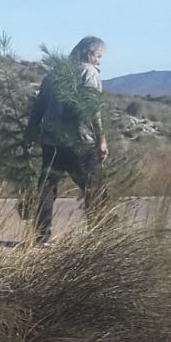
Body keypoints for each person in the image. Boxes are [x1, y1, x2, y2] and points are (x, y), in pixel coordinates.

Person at [25, 36, 109, 243]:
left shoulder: (53, 74)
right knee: (94, 187)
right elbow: (92, 109)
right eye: (98, 56)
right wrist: (101, 139)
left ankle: (41, 236)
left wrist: (30, 131)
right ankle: (100, 235)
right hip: (79, 141)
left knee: (46, 187)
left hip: (50, 140)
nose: (99, 61)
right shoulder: (88, 72)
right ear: (89, 53)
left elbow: (38, 107)